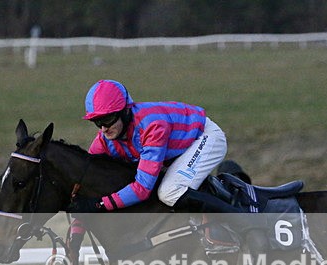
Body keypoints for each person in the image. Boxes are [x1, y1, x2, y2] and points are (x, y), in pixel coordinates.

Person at [68, 79, 240, 214]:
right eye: (97, 121)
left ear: (125, 111)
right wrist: (75, 237)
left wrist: (99, 205)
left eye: (107, 119)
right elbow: (84, 189)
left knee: (169, 191)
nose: (103, 128)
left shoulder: (152, 126)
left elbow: (142, 188)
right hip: (177, 148)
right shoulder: (103, 141)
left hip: (205, 136)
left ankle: (241, 219)